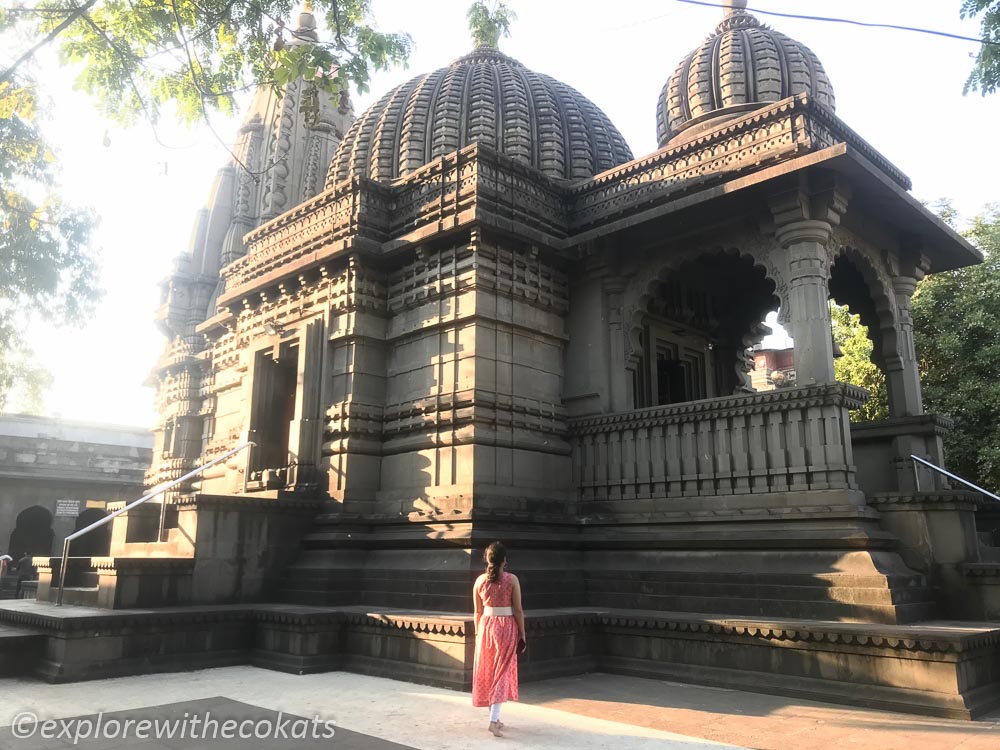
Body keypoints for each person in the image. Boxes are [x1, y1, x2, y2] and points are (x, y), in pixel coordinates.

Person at [472, 541, 525, 738]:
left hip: (486, 626)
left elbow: (477, 610)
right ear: (505, 560)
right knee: (501, 672)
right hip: (506, 627)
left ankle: (495, 716)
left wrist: (478, 633)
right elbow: (518, 609)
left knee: (489, 671)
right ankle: (493, 720)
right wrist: (522, 633)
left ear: (487, 559)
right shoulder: (512, 580)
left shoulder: (479, 581)